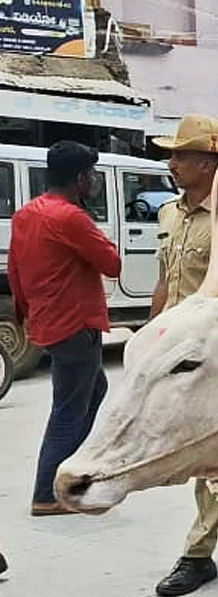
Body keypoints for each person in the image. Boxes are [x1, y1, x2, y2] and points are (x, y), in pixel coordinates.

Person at [150, 114, 218, 597]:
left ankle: (198, 552)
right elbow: (163, 283)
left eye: (180, 155)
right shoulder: (168, 216)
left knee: (212, 456)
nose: (171, 163)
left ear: (207, 162)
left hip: (209, 357)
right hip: (169, 350)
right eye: (172, 155)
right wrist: (150, 336)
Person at [9, 141, 121, 517]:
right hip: (74, 322)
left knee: (93, 390)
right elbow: (112, 263)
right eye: (92, 176)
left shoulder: (26, 214)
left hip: (50, 322)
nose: (94, 183)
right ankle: (49, 493)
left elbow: (16, 271)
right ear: (80, 178)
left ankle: (74, 471)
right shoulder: (71, 218)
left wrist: (27, 316)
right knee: (68, 409)